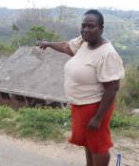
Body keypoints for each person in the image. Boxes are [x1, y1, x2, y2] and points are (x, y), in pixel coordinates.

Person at [38, 9, 125, 166]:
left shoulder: (107, 54)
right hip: (80, 106)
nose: (85, 29)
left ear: (101, 28)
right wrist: (48, 44)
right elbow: (66, 47)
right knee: (87, 142)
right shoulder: (83, 42)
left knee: (98, 145)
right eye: (83, 25)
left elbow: (112, 88)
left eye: (91, 26)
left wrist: (98, 118)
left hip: (96, 107)